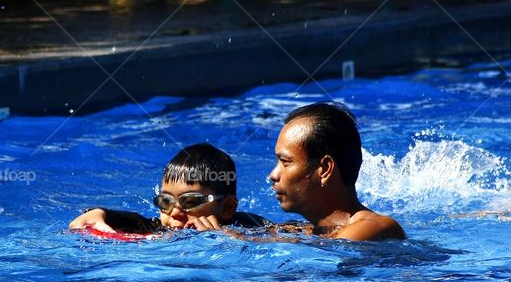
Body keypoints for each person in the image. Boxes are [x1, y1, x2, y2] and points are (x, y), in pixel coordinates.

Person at [268, 102, 405, 241]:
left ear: (325, 169)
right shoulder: (310, 232)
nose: (273, 175)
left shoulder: (374, 227)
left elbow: (327, 258)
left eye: (285, 162)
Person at [69, 143, 271, 233]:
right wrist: (98, 213)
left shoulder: (249, 227)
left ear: (227, 208)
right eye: (165, 201)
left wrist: (232, 239)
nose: (175, 213)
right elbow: (133, 221)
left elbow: (298, 235)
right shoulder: (160, 229)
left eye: (190, 201)